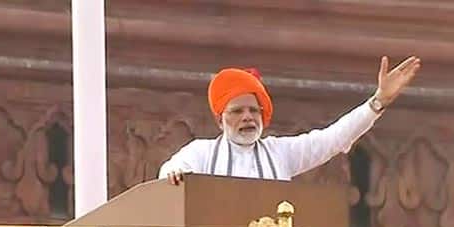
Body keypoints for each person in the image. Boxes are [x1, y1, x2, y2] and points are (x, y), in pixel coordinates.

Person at [158, 56, 420, 185]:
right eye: (237, 111)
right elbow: (169, 174)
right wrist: (174, 176)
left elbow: (333, 139)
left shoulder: (279, 153)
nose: (248, 116)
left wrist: (378, 101)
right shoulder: (201, 153)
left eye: (254, 110)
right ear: (220, 121)